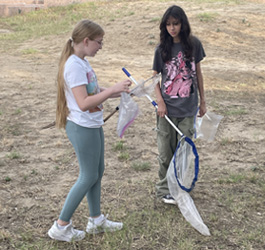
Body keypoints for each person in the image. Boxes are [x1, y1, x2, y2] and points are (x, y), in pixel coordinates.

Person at [48, 19, 131, 242]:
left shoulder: (82, 62)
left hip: (92, 125)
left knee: (97, 171)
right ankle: (61, 226)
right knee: (87, 175)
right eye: (99, 42)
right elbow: (84, 102)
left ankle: (96, 220)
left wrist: (117, 92)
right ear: (86, 41)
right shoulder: (73, 65)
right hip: (82, 126)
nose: (101, 46)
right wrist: (113, 89)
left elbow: (92, 90)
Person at [152, 5, 206, 204]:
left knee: (183, 152)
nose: (172, 28)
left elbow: (198, 74)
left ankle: (179, 187)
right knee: (166, 152)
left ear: (183, 24)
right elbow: (154, 79)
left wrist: (203, 102)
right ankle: (164, 189)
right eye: (168, 24)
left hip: (188, 108)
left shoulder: (194, 45)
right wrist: (160, 102)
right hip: (165, 111)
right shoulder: (161, 49)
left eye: (175, 24)